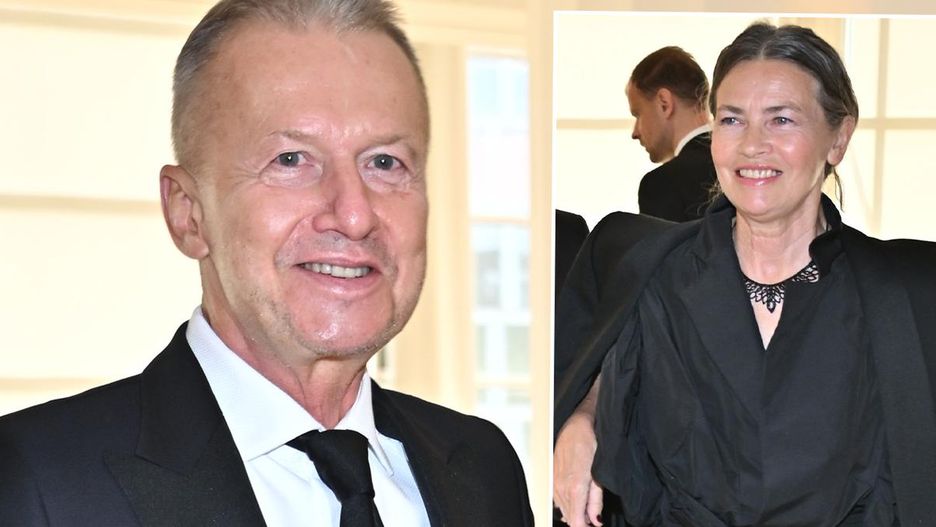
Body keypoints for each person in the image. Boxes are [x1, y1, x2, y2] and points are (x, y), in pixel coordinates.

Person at [0, 1, 534, 526]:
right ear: (188, 214)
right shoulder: (39, 481)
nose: (354, 215)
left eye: (384, 162)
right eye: (291, 160)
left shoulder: (485, 470)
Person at [554, 22, 936, 526]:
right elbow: (608, 359)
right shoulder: (651, 272)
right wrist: (583, 416)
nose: (752, 145)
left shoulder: (907, 294)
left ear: (838, 138)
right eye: (733, 119)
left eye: (781, 120)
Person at [627, 46, 717, 222]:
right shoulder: (738, 166)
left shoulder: (662, 184)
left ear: (664, 104)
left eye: (638, 114)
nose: (635, 132)